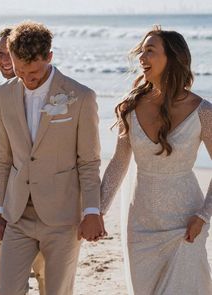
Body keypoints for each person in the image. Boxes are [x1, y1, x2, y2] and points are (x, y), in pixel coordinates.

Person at [0, 21, 104, 295]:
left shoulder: (80, 96)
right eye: (19, 71)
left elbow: (88, 161)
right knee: (7, 290)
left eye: (34, 72)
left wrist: (92, 211)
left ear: (50, 58)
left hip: (63, 217)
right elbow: (3, 157)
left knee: (58, 291)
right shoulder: (4, 94)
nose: (27, 80)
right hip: (17, 214)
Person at [100, 26, 212, 294]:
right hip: (141, 223)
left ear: (172, 58)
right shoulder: (130, 106)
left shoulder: (203, 111)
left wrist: (203, 216)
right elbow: (118, 163)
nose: (142, 56)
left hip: (186, 222)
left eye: (150, 50)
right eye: (142, 50)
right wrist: (98, 211)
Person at [0, 28, 46, 294]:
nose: (6, 60)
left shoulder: (42, 88)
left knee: (43, 266)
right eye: (0, 54)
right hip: (0, 183)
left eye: (10, 53)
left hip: (36, 189)